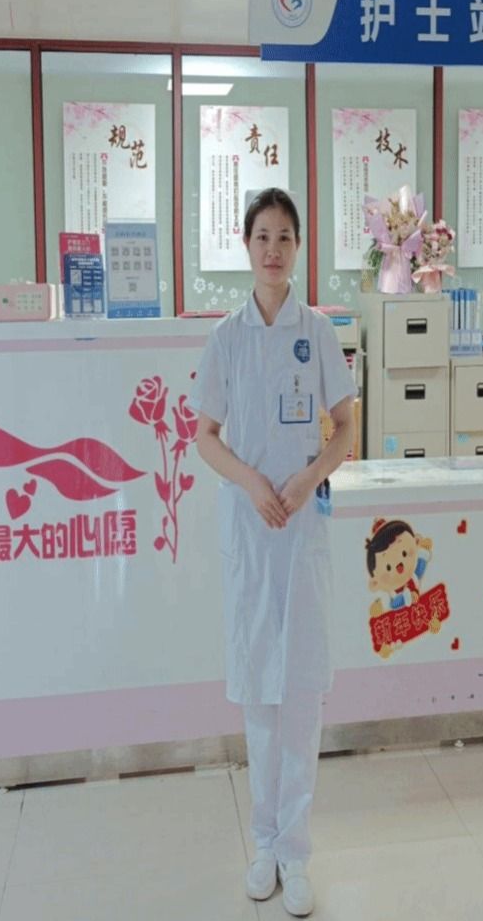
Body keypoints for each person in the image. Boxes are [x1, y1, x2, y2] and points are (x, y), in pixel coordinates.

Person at [191, 188, 357, 918]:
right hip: (251, 534)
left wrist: (308, 475)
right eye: (263, 236)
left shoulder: (317, 331)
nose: (273, 249)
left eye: (285, 236)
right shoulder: (226, 337)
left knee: (301, 695)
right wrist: (252, 481)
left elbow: (346, 426)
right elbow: (205, 436)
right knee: (260, 691)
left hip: (303, 531)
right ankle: (263, 844)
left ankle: (297, 850)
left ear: (297, 247)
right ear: (246, 243)